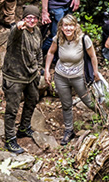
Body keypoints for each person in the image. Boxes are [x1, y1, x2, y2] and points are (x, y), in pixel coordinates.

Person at [43, 14, 99, 145]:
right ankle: (69, 130)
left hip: (78, 76)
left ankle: (105, 117)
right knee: (66, 104)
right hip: (60, 76)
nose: (68, 28)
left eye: (71, 25)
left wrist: (95, 72)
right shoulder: (58, 39)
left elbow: (92, 56)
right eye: (65, 25)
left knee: (88, 101)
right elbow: (50, 53)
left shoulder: (83, 39)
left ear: (75, 26)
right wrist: (47, 70)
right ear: (61, 27)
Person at [1, 5, 43, 154]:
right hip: (15, 76)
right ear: (23, 19)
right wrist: (18, 27)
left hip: (31, 75)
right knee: (12, 109)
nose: (31, 20)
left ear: (37, 20)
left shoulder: (37, 31)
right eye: (28, 17)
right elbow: (16, 32)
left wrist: (39, 68)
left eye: (34, 17)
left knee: (32, 100)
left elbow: (39, 51)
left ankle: (24, 128)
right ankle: (10, 140)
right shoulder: (17, 32)